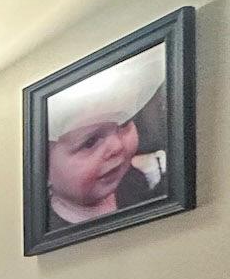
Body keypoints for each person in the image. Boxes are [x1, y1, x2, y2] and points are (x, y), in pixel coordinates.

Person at [45, 48, 168, 229]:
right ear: (42, 169)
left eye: (124, 123)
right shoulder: (51, 227)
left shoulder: (131, 179)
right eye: (90, 142)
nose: (116, 146)